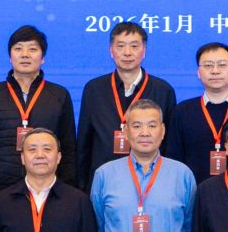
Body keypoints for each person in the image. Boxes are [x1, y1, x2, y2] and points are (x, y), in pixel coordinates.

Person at [88, 100, 196, 232]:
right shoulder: (104, 174)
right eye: (137, 126)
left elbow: (189, 227)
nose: (144, 132)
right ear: (125, 131)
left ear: (162, 131)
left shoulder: (182, 174)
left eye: (152, 125)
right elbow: (98, 227)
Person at [76, 20, 177, 182]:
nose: (127, 52)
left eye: (134, 46)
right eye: (120, 46)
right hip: (103, 180)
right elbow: (84, 143)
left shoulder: (163, 90)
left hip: (151, 179)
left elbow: (169, 144)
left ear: (144, 50)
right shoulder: (94, 89)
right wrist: (81, 186)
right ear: (111, 50)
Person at [0, 25, 76, 191]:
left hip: (47, 186)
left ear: (42, 57)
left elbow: (68, 148)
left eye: (32, 49)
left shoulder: (59, 95)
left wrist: (67, 189)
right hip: (0, 185)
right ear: (10, 57)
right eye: (18, 49)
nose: (25, 54)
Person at [172, 40, 228, 185]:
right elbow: (174, 158)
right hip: (193, 191)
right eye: (208, 65)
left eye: (222, 65)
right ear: (198, 72)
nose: (215, 71)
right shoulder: (182, 111)